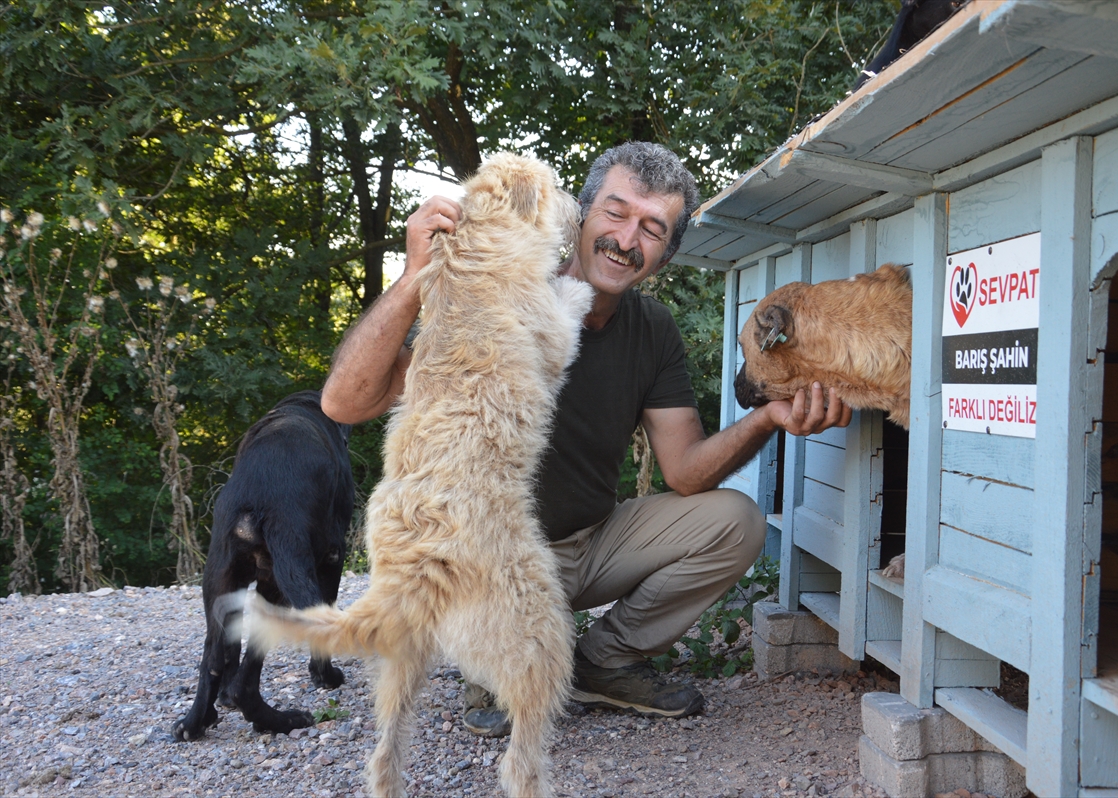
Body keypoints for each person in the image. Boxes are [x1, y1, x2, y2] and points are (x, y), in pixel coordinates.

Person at [320, 142, 852, 736]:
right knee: (510, 681)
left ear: (665, 255)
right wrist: (415, 275)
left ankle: (603, 663)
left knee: (736, 521)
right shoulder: (498, 287)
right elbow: (345, 402)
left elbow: (683, 471)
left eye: (653, 229)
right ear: (580, 215)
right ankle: (491, 663)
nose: (627, 240)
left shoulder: (652, 329)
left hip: (586, 546)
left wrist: (766, 418)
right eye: (616, 213)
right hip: (486, 561)